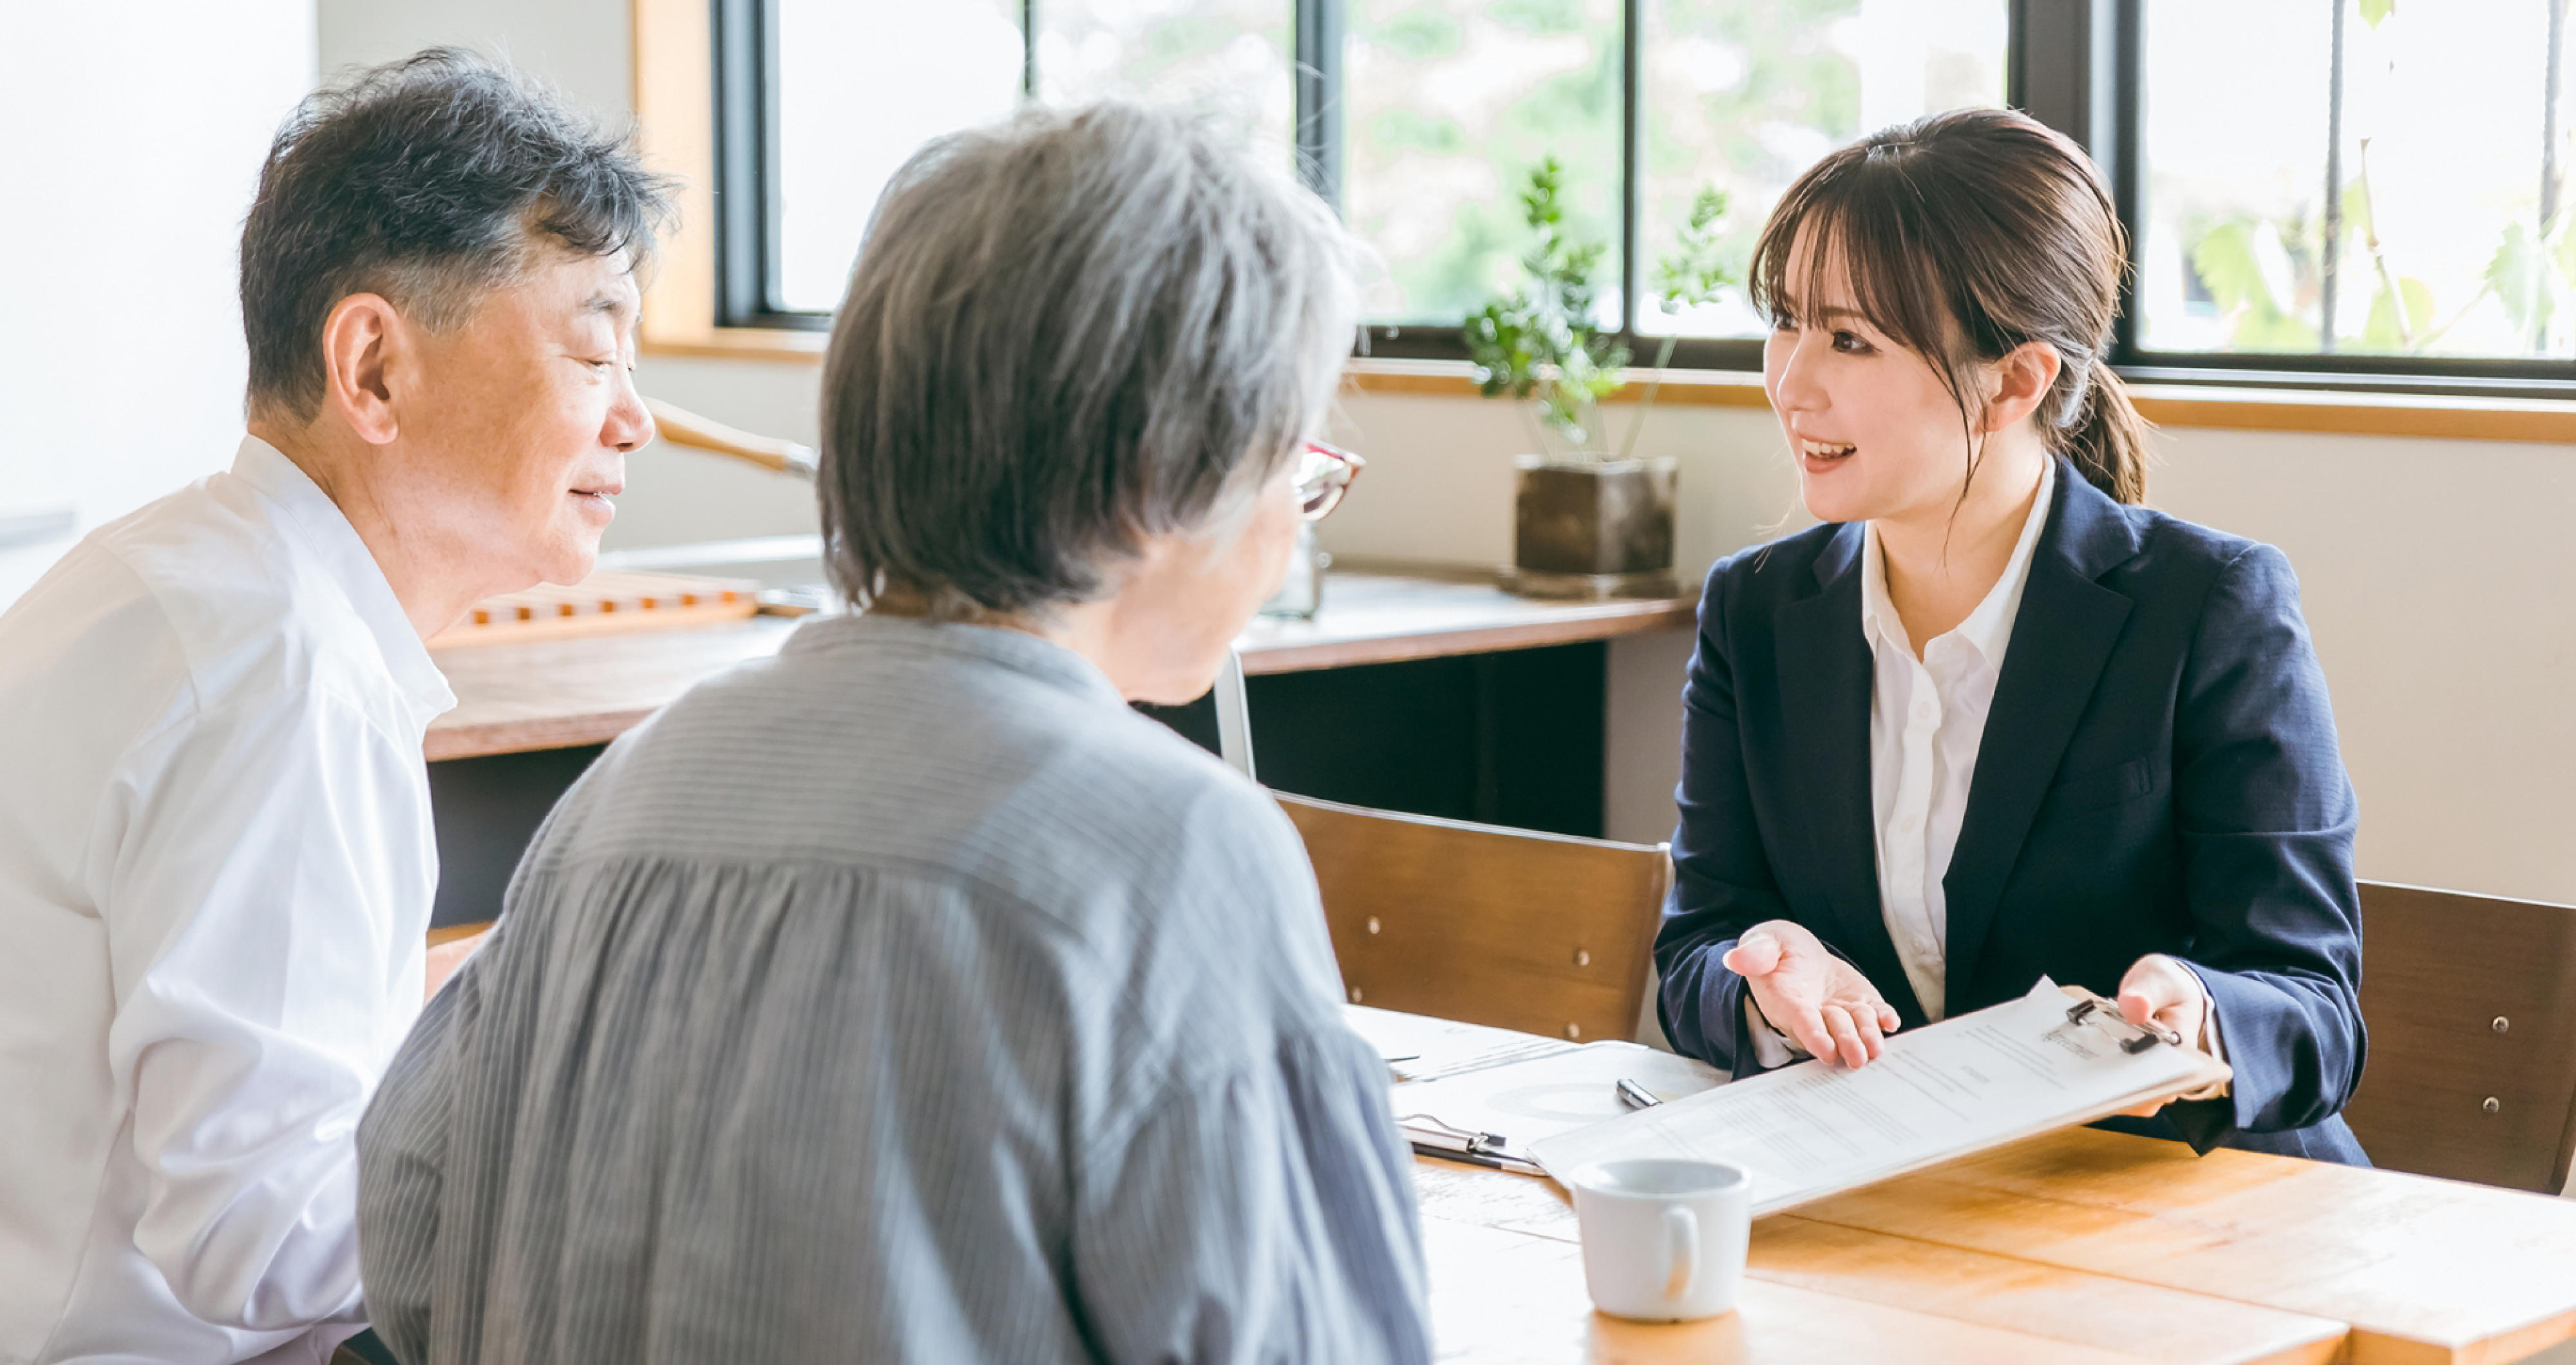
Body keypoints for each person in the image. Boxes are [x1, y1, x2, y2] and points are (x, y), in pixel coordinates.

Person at [353, 102, 1431, 1363]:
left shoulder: (625, 795)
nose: (1293, 525)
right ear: (1160, 480)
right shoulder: (1177, 853)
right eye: (1289, 466)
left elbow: (411, 1254)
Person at [0, 50, 670, 1362]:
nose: (634, 420)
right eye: (592, 353)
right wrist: (604, 1144)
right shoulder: (282, 675)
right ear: (371, 367)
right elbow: (263, 1234)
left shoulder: (179, 576)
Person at [1653, 108, 2367, 1163]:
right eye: (1786, 320)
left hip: (2184, 1205)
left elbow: (2314, 1003)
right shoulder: (1756, 612)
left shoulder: (2212, 605)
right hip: (1902, 1201)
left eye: (1849, 338)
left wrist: (2200, 1009)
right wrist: (1765, 984)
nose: (1791, 380)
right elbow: (1696, 948)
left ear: (2017, 379)